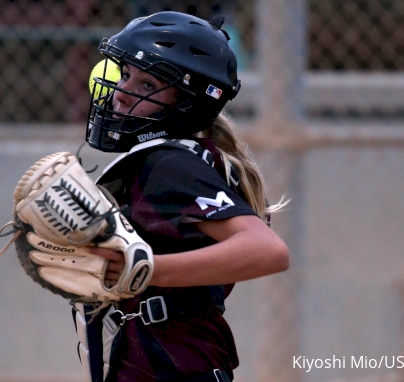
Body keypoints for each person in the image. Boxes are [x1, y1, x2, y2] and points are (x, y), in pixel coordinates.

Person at [81, 10, 289, 382]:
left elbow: (267, 250)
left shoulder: (169, 165)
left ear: (186, 103)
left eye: (147, 86)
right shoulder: (174, 160)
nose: (122, 95)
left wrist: (147, 270)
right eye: (126, 75)